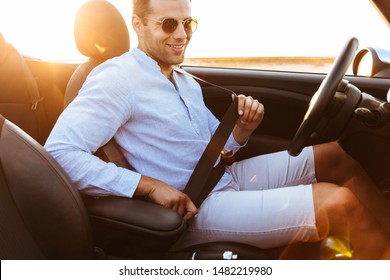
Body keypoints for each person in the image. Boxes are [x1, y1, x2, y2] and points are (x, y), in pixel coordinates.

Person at [44, 0, 390, 259]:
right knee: (338, 203)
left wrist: (241, 129)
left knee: (335, 156)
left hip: (222, 177)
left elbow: (216, 151)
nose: (181, 35)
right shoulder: (116, 79)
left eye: (187, 23)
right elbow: (58, 155)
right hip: (195, 206)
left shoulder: (180, 77)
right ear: (138, 24)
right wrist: (148, 187)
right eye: (167, 24)